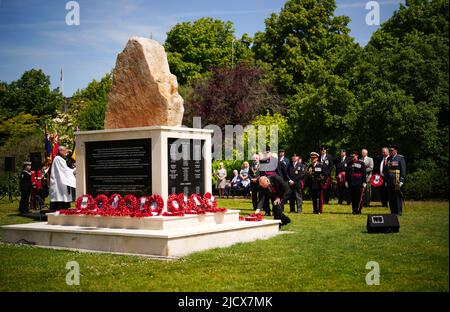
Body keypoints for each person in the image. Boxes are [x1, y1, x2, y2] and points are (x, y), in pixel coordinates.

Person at [49, 146, 76, 211]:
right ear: (60, 151)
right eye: (65, 150)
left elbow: (65, 170)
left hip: (61, 182)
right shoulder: (58, 159)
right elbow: (64, 171)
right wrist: (73, 170)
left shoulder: (60, 159)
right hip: (58, 183)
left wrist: (73, 170)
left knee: (63, 196)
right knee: (60, 197)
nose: (66, 152)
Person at [386, 144, 406, 215]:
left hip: (397, 180)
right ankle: (393, 211)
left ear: (395, 151)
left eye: (392, 150)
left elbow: (403, 170)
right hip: (390, 180)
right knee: (391, 197)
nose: (390, 152)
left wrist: (402, 180)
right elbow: (387, 170)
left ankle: (398, 211)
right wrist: (386, 180)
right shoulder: (388, 159)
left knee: (397, 197)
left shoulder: (400, 158)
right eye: (389, 150)